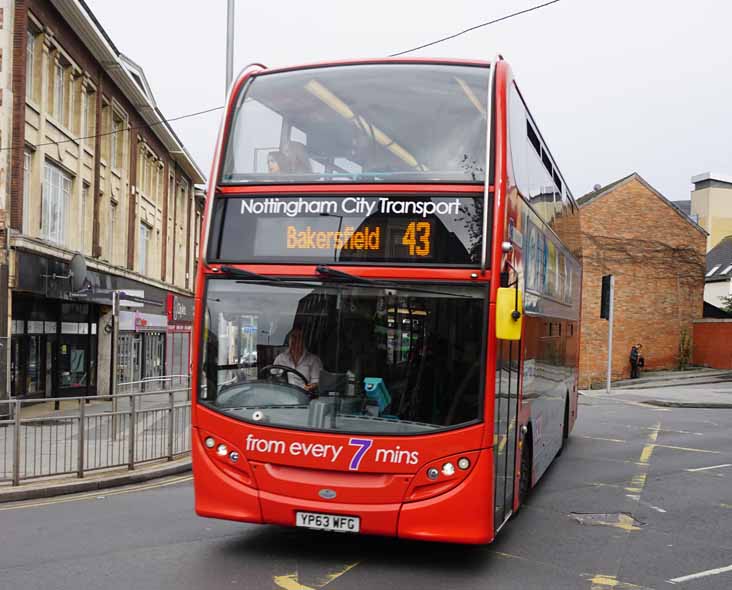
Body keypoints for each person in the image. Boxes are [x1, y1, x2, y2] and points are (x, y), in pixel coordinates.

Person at [273, 325, 322, 392]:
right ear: (289, 339)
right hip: (283, 395)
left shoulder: (314, 360)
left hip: (303, 395)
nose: (295, 340)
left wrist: (308, 388)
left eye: (299, 337)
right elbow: (272, 376)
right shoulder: (280, 358)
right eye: (293, 337)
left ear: (303, 341)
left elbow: (316, 381)